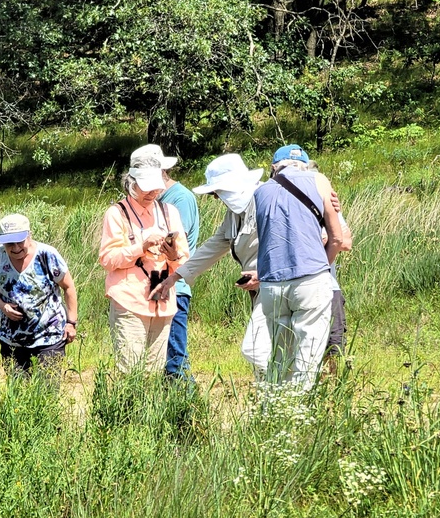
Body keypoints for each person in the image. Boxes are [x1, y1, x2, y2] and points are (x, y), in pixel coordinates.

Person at [150, 153, 266, 370]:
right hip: (260, 288)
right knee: (264, 351)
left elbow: (288, 245)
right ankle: (271, 398)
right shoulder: (234, 213)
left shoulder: (266, 201)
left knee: (256, 350)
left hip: (277, 285)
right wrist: (177, 275)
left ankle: (280, 397)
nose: (215, 198)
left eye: (215, 192)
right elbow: (214, 245)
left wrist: (264, 273)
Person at [253, 158, 344, 390]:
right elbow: (338, 238)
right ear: (305, 164)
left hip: (271, 284)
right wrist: (321, 267)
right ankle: (298, 416)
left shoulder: (261, 191)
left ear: (274, 168)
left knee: (280, 356)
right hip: (310, 278)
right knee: (308, 357)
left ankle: (273, 408)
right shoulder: (318, 180)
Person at [100, 166, 189, 373]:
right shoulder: (117, 213)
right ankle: (126, 406)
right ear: (132, 185)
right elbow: (107, 259)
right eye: (146, 188)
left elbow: (185, 262)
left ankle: (149, 406)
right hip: (129, 300)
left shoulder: (170, 212)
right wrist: (141, 247)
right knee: (129, 370)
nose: (152, 193)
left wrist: (172, 255)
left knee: (155, 371)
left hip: (163, 301)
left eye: (156, 188)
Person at [271, 145, 354, 368]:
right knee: (289, 349)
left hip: (327, 285)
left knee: (332, 348)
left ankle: (329, 399)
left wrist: (312, 241)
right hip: (286, 287)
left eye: (301, 170)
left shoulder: (324, 201)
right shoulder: (272, 202)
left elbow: (345, 241)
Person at [130, 144, 199, 379]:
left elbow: (177, 245)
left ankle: (186, 407)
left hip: (174, 287)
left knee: (174, 360)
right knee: (153, 361)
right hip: (150, 288)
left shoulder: (179, 199)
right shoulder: (147, 201)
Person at [0, 214, 78, 377]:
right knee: (18, 393)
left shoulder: (47, 255)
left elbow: (68, 287)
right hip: (11, 338)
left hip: (48, 336)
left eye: (19, 241)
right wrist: (3, 306)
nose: (15, 248)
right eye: (9, 243)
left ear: (29, 235)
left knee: (46, 391)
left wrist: (71, 323)